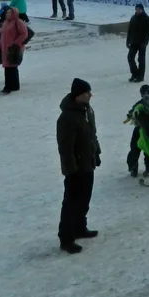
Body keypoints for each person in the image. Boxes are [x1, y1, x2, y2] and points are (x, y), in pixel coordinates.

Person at [56, 77, 101, 254]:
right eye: (86, 93)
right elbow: (65, 147)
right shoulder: (67, 117)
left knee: (84, 199)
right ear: (77, 96)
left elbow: (92, 135)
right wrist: (70, 169)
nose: (90, 95)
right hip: (75, 169)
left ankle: (80, 227)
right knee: (71, 203)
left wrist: (96, 153)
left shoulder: (87, 111)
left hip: (87, 163)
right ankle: (66, 238)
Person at [125, 84, 149, 178]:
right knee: (134, 149)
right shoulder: (139, 104)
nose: (147, 95)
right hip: (139, 129)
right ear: (141, 94)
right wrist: (131, 114)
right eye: (144, 93)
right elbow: (133, 110)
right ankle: (133, 167)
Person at [0, 7, 30, 94]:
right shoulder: (6, 22)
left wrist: (16, 43)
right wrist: (0, 44)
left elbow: (24, 34)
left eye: (10, 13)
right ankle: (15, 85)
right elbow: (3, 35)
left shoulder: (18, 22)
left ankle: (8, 86)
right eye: (7, 13)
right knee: (10, 66)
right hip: (6, 48)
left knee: (11, 67)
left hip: (13, 48)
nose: (8, 14)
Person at [126, 4, 149, 82]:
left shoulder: (147, 19)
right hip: (134, 42)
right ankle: (134, 73)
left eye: (139, 9)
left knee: (141, 59)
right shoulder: (133, 18)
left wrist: (145, 41)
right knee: (130, 57)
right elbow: (130, 31)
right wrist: (128, 41)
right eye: (136, 9)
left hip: (142, 43)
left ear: (142, 9)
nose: (138, 11)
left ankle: (141, 76)